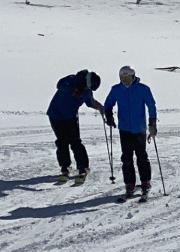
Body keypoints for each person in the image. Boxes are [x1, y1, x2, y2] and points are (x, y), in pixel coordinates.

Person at [104, 65, 158, 200]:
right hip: (125, 129)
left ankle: (145, 182)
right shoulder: (116, 89)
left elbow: (151, 106)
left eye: (128, 78)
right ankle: (130, 184)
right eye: (123, 78)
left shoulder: (143, 89)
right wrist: (109, 116)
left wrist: (152, 123)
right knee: (126, 159)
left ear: (133, 77)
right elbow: (108, 104)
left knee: (141, 157)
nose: (125, 81)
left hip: (139, 129)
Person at [46, 70, 103, 182]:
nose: (89, 90)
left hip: (70, 117)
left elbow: (90, 102)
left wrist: (101, 107)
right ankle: (65, 167)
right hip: (55, 115)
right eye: (89, 87)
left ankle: (83, 167)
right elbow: (59, 85)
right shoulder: (71, 80)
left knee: (75, 142)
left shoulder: (86, 91)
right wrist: (74, 87)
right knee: (62, 141)